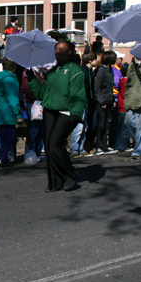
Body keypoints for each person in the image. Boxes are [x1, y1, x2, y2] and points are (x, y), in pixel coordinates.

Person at [28, 40, 86, 192]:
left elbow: (78, 96)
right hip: (49, 111)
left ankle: (70, 173)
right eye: (56, 50)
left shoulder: (75, 71)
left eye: (61, 49)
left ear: (70, 52)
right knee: (49, 147)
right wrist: (31, 79)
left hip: (66, 112)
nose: (57, 52)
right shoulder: (53, 71)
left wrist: (76, 113)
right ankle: (55, 182)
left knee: (55, 144)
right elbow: (42, 94)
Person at [0, 59, 22, 166]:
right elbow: (12, 99)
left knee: (3, 137)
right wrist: (18, 114)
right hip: (7, 112)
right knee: (9, 137)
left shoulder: (0, 78)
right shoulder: (9, 80)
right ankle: (3, 158)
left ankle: (3, 157)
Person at [94, 51, 116, 154]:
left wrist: (112, 100)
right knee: (101, 124)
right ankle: (98, 145)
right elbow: (97, 87)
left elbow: (110, 86)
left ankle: (104, 145)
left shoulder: (110, 69)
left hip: (109, 100)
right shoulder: (101, 70)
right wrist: (101, 102)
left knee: (107, 124)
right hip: (102, 101)